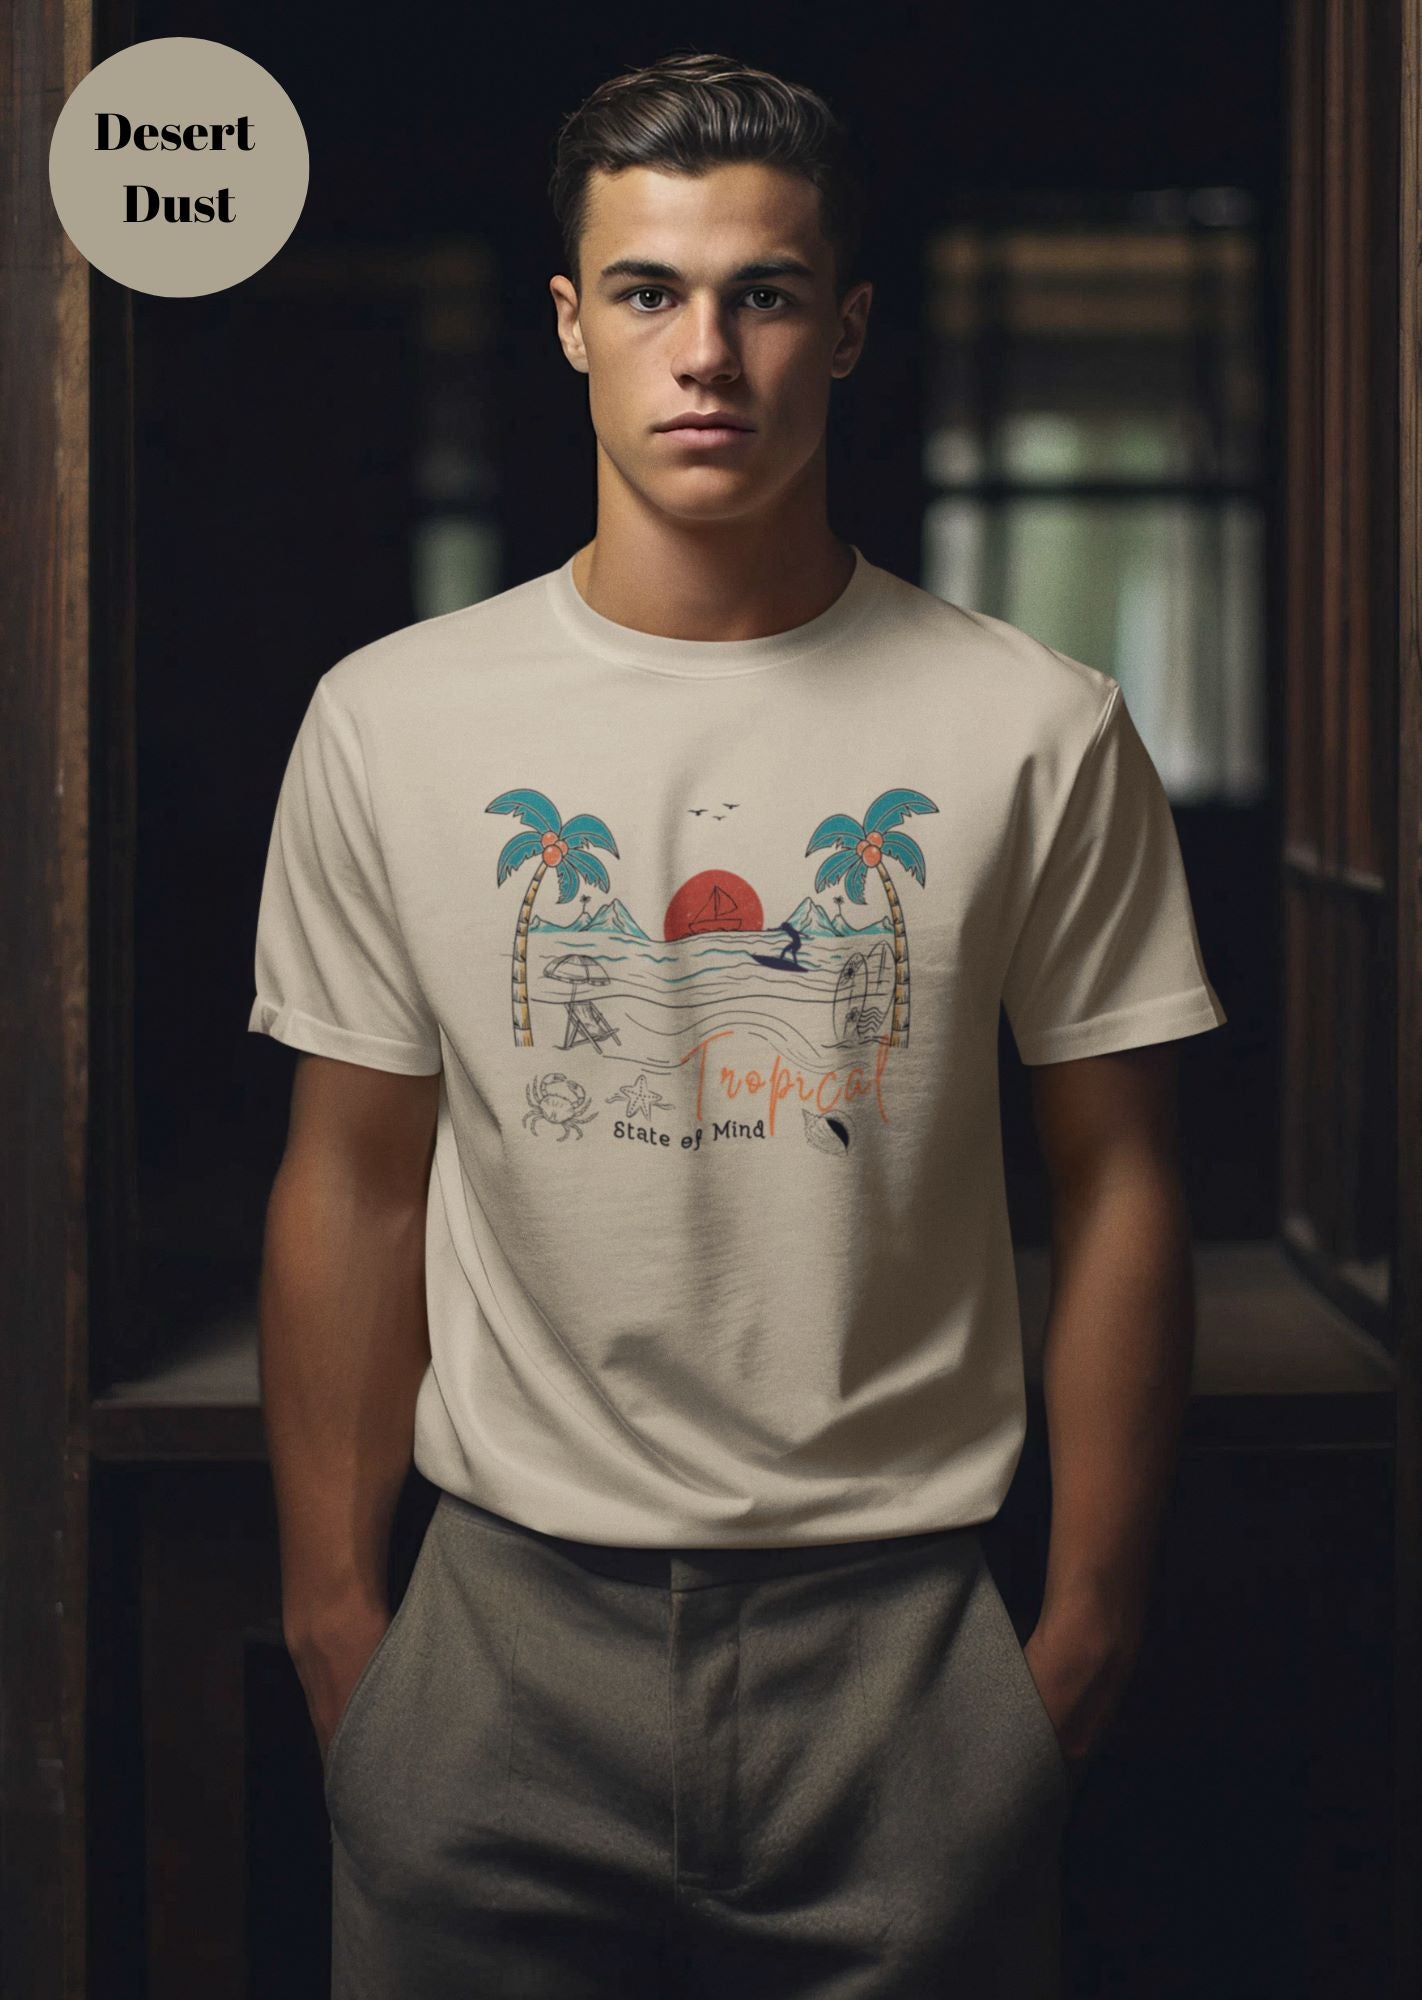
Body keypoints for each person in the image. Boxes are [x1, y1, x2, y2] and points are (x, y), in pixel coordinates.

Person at [249, 48, 1227, 1999]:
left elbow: (1119, 1182)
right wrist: (339, 1619)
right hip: (498, 1637)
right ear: (571, 323)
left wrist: (1088, 1624)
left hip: (909, 1653)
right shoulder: (396, 719)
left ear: (844, 326)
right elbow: (354, 1178)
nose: (708, 351)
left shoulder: (1034, 727)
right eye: (649, 292)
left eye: (764, 293)